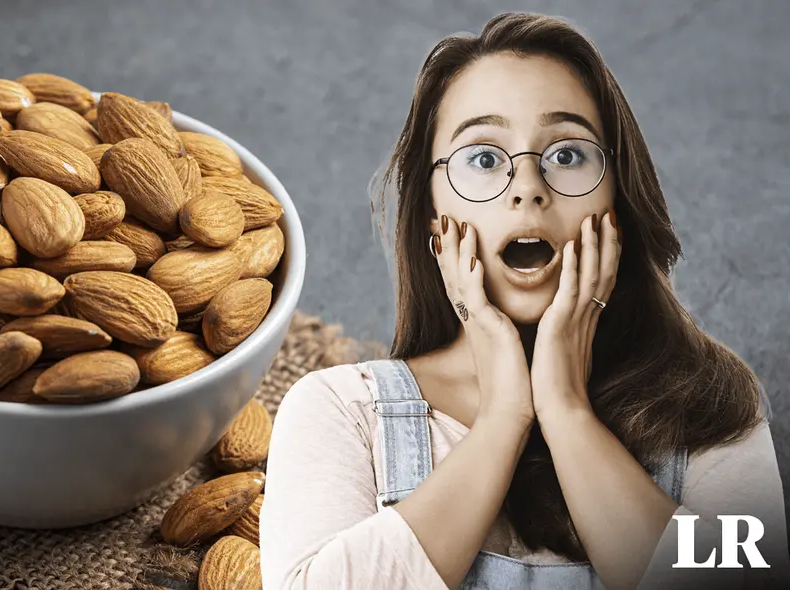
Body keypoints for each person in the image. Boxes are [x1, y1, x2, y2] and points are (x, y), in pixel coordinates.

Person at [258, 11, 790, 590]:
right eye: (483, 158)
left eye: (567, 154)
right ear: (435, 223)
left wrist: (566, 411)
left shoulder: (711, 403)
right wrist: (503, 419)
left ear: (617, 205)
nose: (528, 188)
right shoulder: (341, 410)